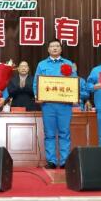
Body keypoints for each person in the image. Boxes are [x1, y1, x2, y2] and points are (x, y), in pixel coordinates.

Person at [33, 39, 78, 169]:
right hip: (48, 105)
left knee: (64, 133)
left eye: (57, 46)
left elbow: (74, 82)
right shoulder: (42, 64)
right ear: (48, 49)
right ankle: (51, 161)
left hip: (64, 105)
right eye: (52, 46)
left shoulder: (68, 64)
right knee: (49, 134)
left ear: (61, 49)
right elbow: (36, 83)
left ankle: (64, 161)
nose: (54, 48)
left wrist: (75, 96)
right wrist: (37, 96)